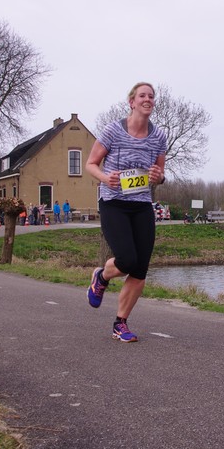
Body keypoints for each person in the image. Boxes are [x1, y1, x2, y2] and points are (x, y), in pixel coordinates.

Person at [85, 82, 167, 343]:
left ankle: (120, 323)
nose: (147, 99)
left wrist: (158, 176)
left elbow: (160, 174)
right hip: (114, 202)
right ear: (132, 102)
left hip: (141, 204)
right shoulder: (113, 130)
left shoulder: (159, 136)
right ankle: (101, 275)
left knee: (140, 269)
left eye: (151, 96)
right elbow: (91, 163)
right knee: (127, 260)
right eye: (142, 95)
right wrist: (105, 178)